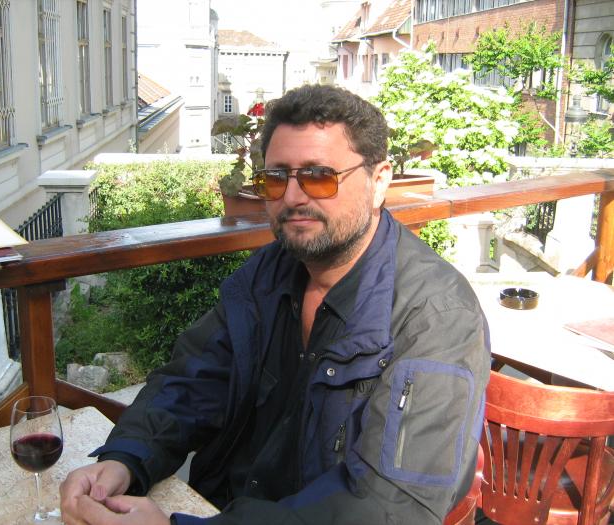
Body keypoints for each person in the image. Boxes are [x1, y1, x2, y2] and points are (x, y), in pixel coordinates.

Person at [60, 84, 490, 525]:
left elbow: (389, 507)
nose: (294, 197)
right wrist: (125, 458)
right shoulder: (269, 271)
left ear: (378, 181)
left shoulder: (437, 318)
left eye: (319, 176)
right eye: (276, 178)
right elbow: (194, 379)